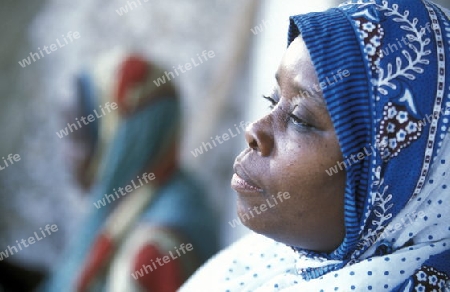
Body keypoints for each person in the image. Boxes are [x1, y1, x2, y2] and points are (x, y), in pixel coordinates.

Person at [179, 0, 450, 290]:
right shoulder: (264, 262)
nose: (254, 130)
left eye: (300, 119)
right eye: (272, 100)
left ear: (395, 180)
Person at [41, 53, 218, 291]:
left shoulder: (153, 251)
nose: (65, 156)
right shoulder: (141, 199)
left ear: (119, 140)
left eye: (76, 140)